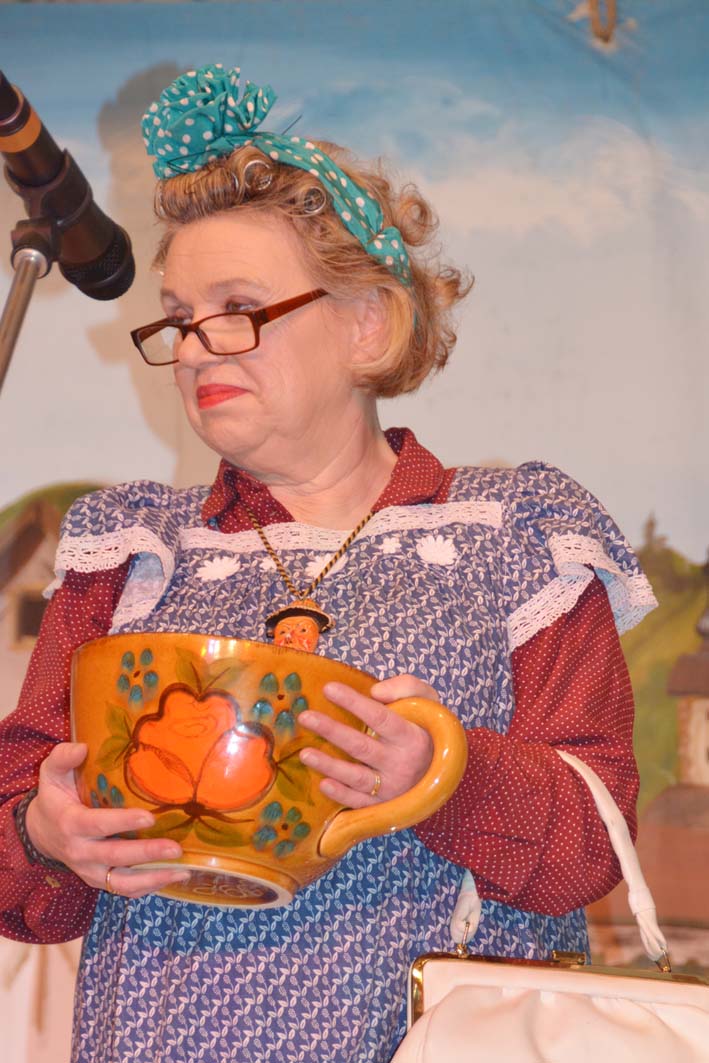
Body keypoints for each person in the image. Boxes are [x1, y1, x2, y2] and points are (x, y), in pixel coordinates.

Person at [0, 63, 656, 1063]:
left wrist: (443, 772)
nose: (194, 348)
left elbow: (591, 847)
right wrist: (45, 835)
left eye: (238, 308)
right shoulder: (128, 554)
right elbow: (24, 867)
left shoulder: (514, 536)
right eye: (177, 317)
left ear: (367, 324)